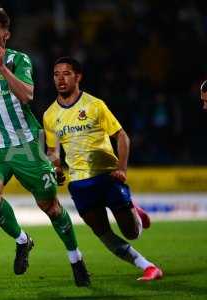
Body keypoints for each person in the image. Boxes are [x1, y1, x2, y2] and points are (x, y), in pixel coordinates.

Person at [0, 8, 90, 286]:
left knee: (50, 206)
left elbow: (27, 95)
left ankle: (76, 258)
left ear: (6, 34)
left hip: (26, 145)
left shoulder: (19, 60)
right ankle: (22, 240)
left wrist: (2, 68)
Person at [43, 56, 163, 281]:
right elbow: (52, 151)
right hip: (79, 183)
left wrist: (122, 168)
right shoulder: (50, 115)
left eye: (66, 73)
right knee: (103, 233)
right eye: (56, 74)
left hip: (108, 177)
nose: (60, 78)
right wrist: (56, 167)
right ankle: (148, 267)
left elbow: (122, 137)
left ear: (78, 77)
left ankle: (134, 211)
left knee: (132, 233)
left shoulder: (95, 105)